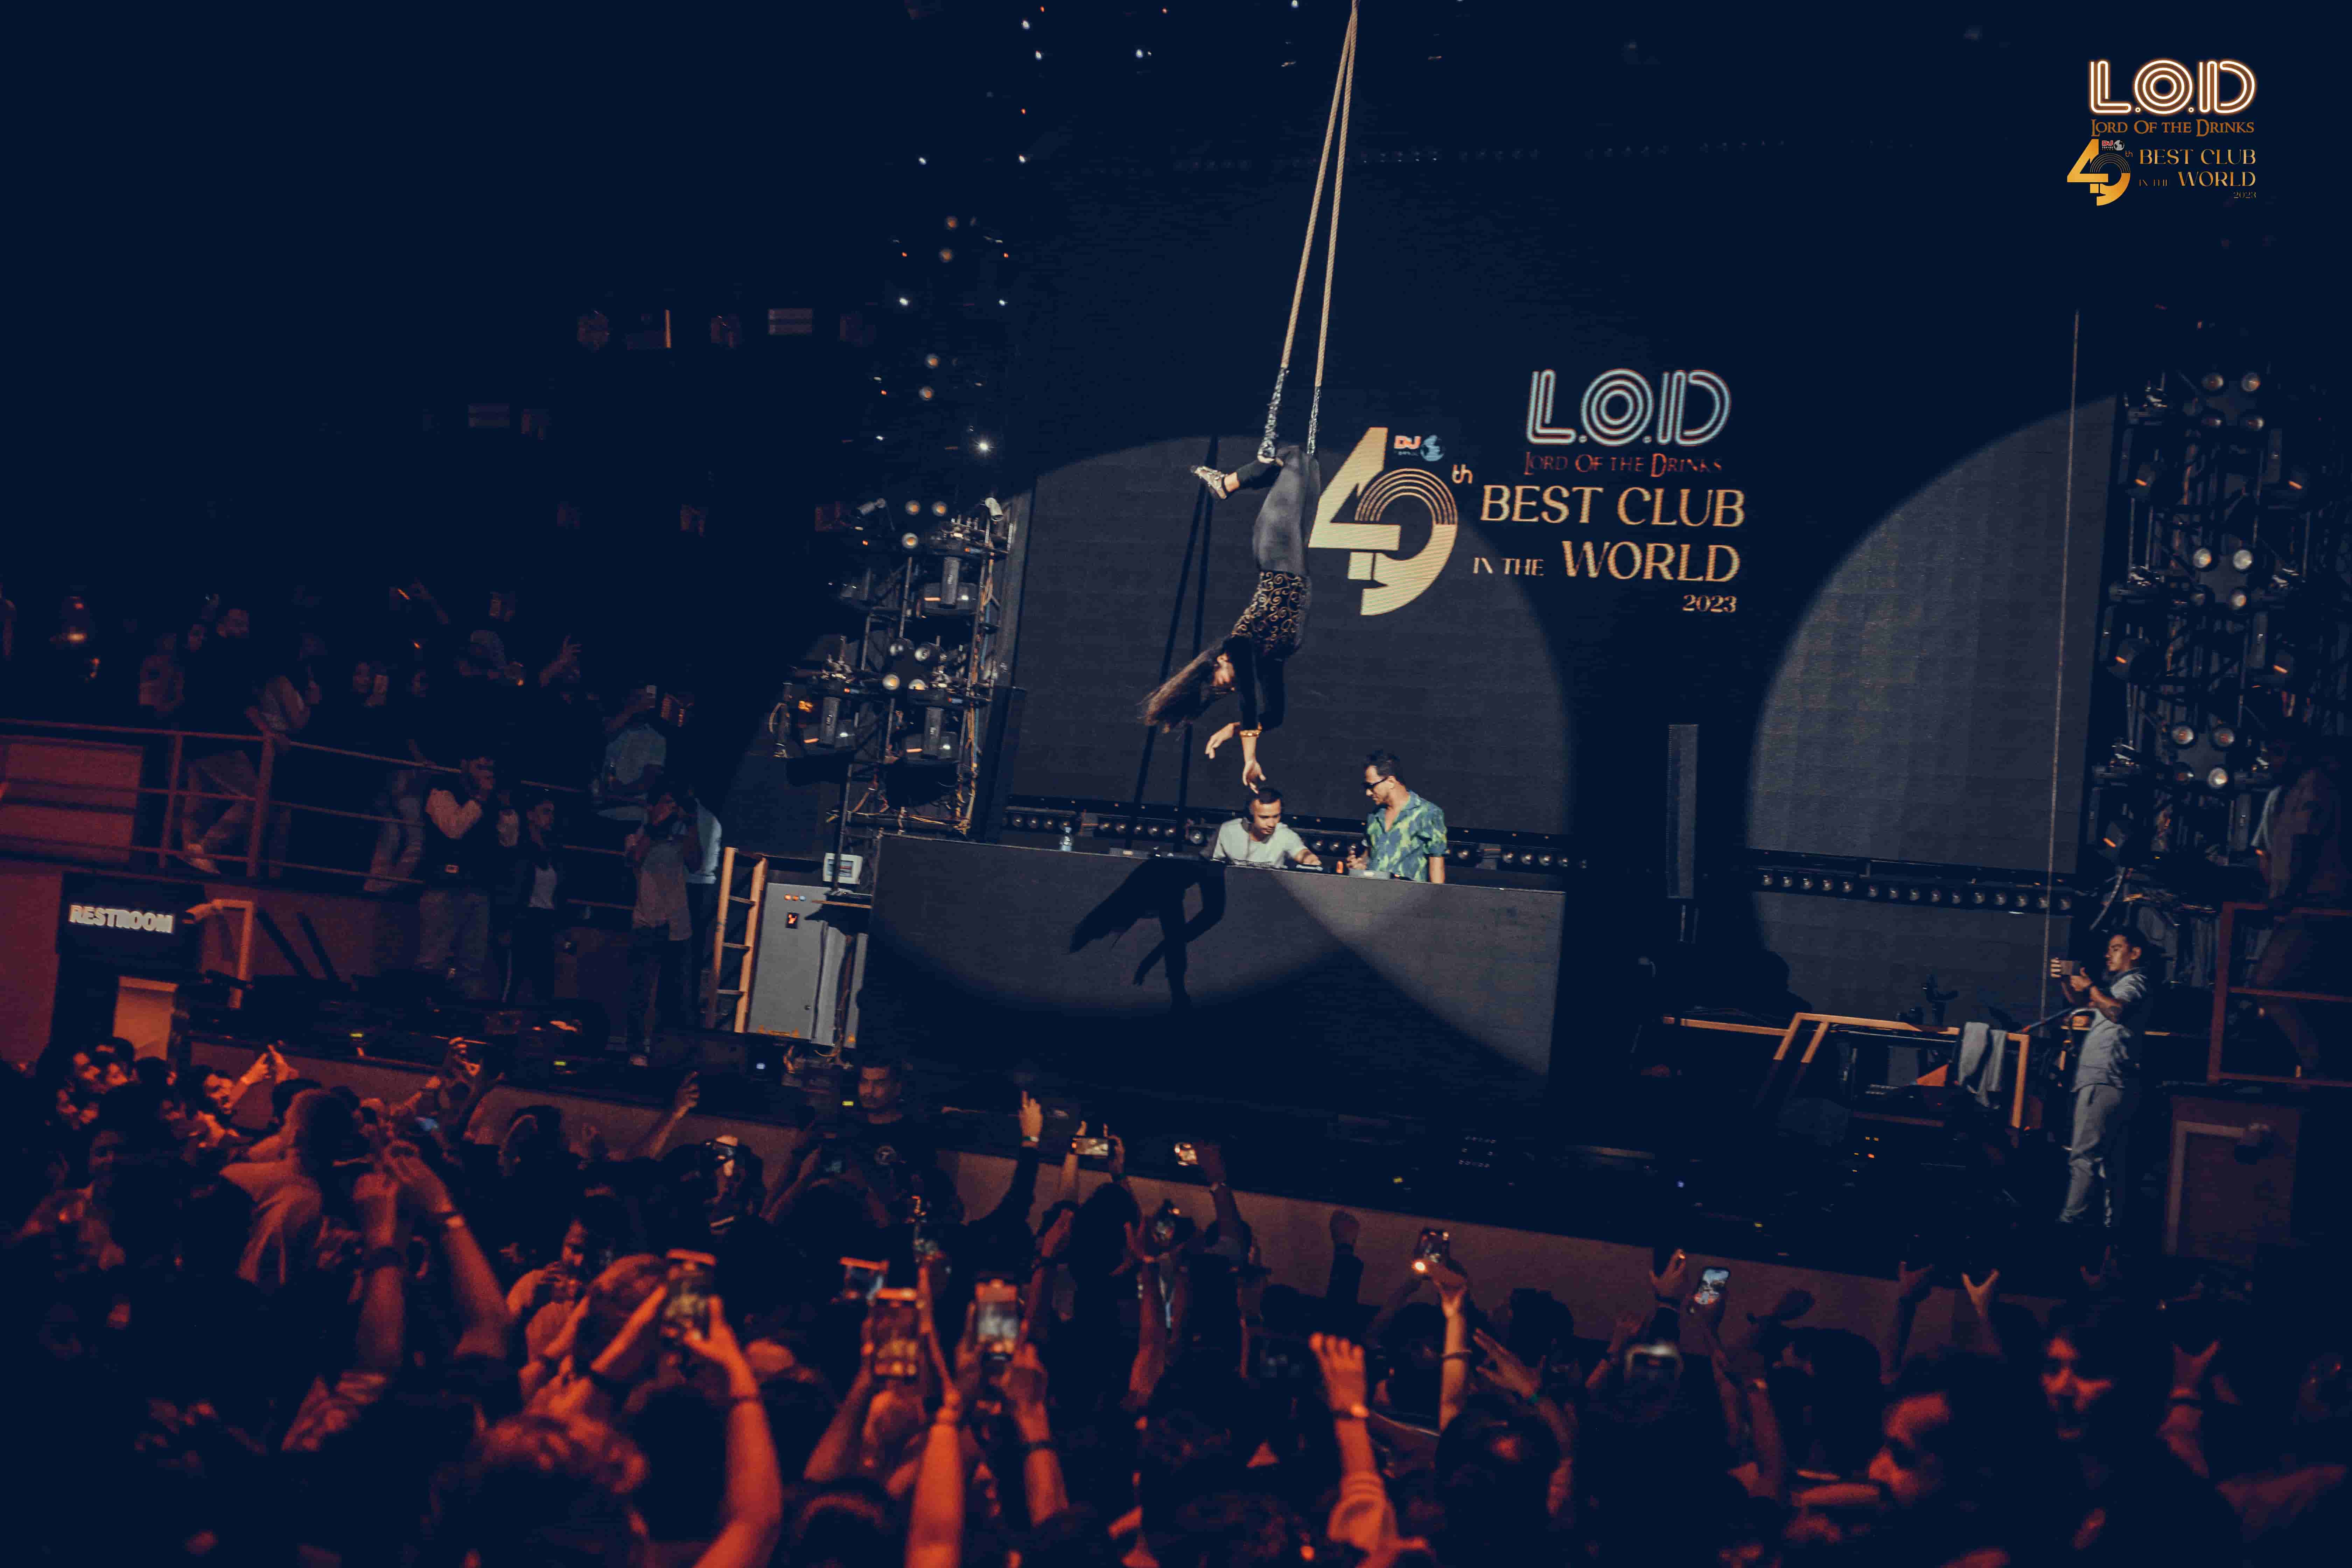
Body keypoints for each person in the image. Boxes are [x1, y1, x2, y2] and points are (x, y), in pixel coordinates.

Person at [1142, 443, 1319, 792]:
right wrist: (1234, 729)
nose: (1234, 685)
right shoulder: (1269, 661)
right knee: (1306, 464)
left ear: (1220, 660)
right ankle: (1230, 482)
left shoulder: (1239, 645)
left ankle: (1227, 484)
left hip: (1275, 551)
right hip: (1297, 564)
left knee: (1295, 457)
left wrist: (1249, 757)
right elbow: (1273, 716)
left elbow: (1250, 702)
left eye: (1224, 682)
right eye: (1229, 689)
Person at [2248, 731, 2347, 1077]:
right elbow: (2272, 851)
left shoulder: (2314, 786)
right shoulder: (2285, 794)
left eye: (2279, 752)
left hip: (2317, 903)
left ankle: (2318, 1063)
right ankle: (2314, 1064)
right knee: (2292, 987)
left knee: (2268, 982)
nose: (2272, 761)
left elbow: (2307, 842)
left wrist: (2288, 895)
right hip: (2304, 903)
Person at [2058, 931, 2152, 1230]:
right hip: (2111, 1079)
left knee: (2084, 1157)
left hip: (2104, 1078)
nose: (2108, 955)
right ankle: (2112, 1228)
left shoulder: (2135, 982)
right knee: (2110, 1162)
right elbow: (2086, 1002)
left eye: (2116, 949)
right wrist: (2067, 981)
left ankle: (2069, 1224)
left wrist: (2091, 987)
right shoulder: (2118, 986)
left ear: (2135, 953)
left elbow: (2115, 1011)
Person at [418, 754, 518, 997]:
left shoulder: (491, 798)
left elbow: (509, 841)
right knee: (433, 959)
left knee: (472, 964)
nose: (487, 773)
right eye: (480, 767)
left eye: (490, 768)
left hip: (480, 888)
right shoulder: (442, 790)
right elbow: (454, 829)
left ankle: (462, 1013)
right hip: (445, 886)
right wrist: (480, 798)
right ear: (464, 766)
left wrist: (506, 807)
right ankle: (425, 1009)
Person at [624, 786, 695, 1052]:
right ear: (651, 808)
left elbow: (696, 862)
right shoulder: (635, 837)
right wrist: (656, 826)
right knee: (641, 993)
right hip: (648, 923)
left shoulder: (678, 840)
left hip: (678, 925)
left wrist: (692, 824)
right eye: (666, 803)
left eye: (674, 804)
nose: (671, 809)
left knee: (674, 994)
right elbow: (635, 860)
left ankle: (667, 1050)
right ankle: (637, 1048)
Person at [499, 793, 568, 1004]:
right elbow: (510, 888)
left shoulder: (555, 850)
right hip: (524, 920)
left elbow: (560, 893)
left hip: (546, 922)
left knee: (544, 986)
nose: (551, 818)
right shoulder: (519, 847)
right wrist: (506, 924)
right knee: (513, 982)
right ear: (530, 815)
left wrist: (561, 928)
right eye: (546, 812)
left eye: (553, 813)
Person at [1343, 750, 1447, 883]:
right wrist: (1359, 865)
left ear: (1391, 781)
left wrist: (1437, 896)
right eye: (1366, 787)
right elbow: (1369, 857)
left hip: (1408, 894)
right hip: (1372, 892)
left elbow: (1437, 867)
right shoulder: (1375, 816)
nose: (1368, 793)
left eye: (1371, 786)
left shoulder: (1428, 813)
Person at [1209, 784, 1320, 869]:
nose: (1272, 824)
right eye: (1264, 818)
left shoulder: (1284, 834)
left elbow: (1302, 853)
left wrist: (1310, 859)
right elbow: (1212, 863)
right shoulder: (1228, 831)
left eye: (1276, 816)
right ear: (1250, 816)